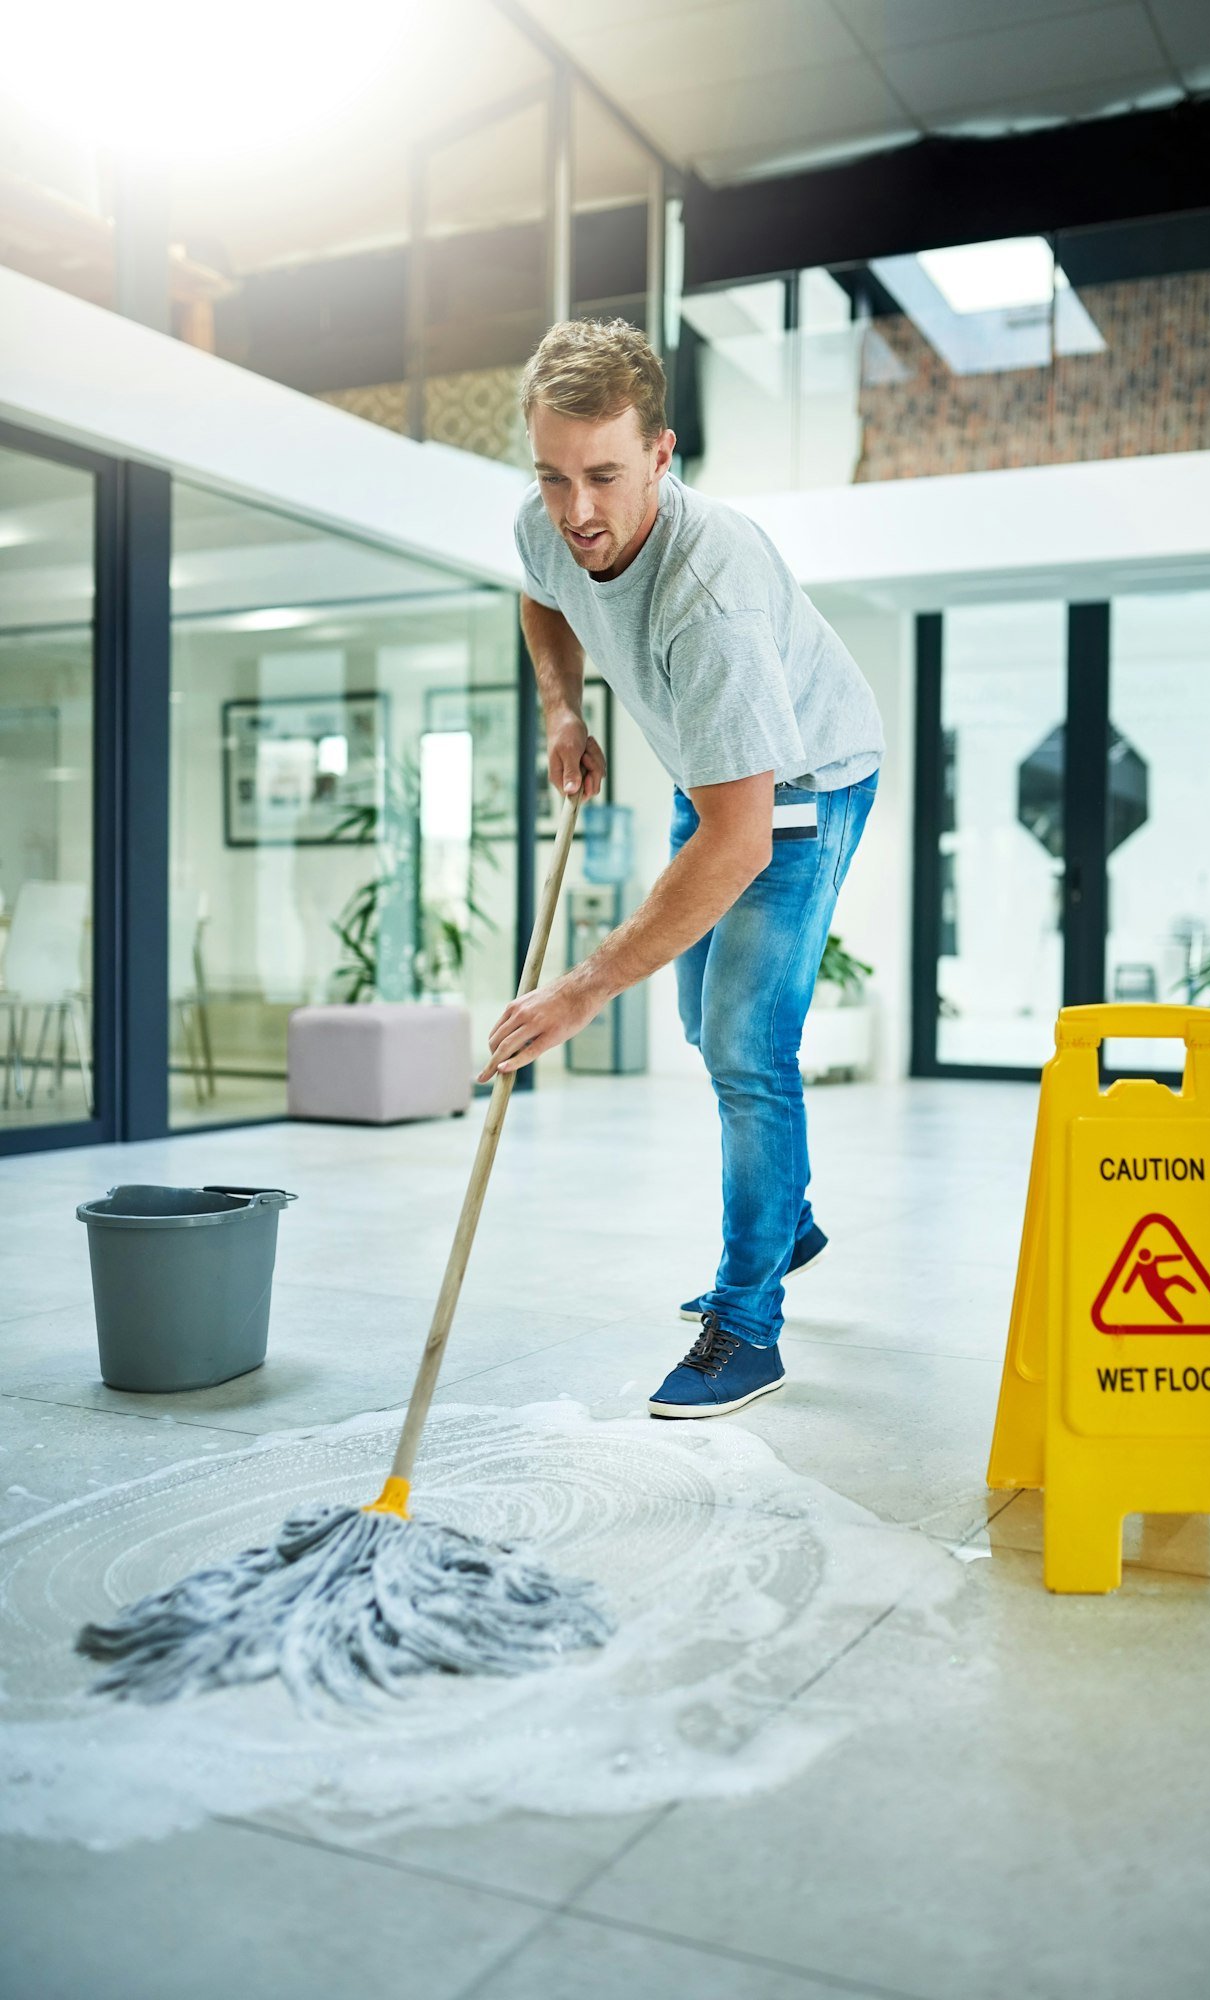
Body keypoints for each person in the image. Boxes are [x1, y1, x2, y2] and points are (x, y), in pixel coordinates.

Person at [479, 318, 884, 1418]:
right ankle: (785, 1215)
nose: (578, 512)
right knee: (706, 1027)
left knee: (748, 1049)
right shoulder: (550, 516)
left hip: (801, 783)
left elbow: (742, 836)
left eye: (605, 476)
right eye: (555, 476)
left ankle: (747, 1323)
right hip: (710, 776)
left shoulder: (712, 594)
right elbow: (539, 586)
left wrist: (578, 988)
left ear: (662, 454)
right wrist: (564, 711)